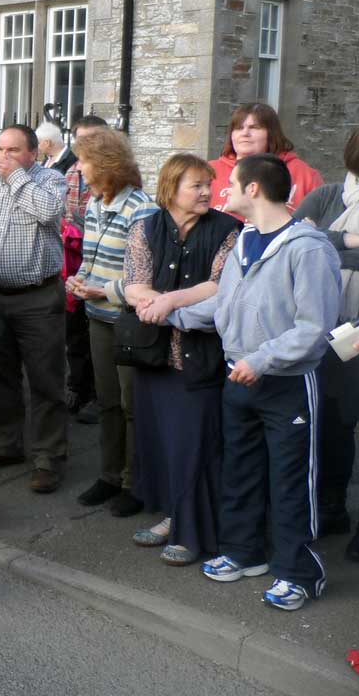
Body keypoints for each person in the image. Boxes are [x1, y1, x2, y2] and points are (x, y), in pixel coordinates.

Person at [169, 154, 340, 611]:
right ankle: (244, 553)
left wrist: (262, 360)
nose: (222, 191)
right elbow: (226, 306)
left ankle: (300, 574)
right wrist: (167, 310)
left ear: (255, 190)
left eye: (232, 184)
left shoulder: (308, 248)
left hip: (286, 383)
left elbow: (313, 328)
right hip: (238, 376)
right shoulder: (243, 240)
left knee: (289, 480)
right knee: (239, 470)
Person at [123, 154, 240, 566]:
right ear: (171, 189)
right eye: (197, 184)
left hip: (199, 359)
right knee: (162, 445)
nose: (207, 191)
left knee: (195, 447)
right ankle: (174, 517)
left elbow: (220, 285)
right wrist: (154, 300)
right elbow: (134, 285)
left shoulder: (228, 229)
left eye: (209, 183)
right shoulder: (146, 226)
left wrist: (168, 300)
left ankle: (195, 534)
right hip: (155, 357)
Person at [0, 125, 69, 493]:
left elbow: (49, 212)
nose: (2, 156)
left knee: (45, 379)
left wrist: (17, 179)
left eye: (12, 150)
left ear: (32, 154)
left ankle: (47, 457)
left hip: (37, 297)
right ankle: (5, 445)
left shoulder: (51, 181)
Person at [295, 117, 359, 563]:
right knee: (332, 426)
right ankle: (331, 508)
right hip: (330, 332)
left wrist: (333, 245)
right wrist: (349, 237)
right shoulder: (328, 195)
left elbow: (316, 243)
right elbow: (293, 236)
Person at [66, 127, 157, 517]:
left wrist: (104, 290)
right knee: (107, 403)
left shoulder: (142, 209)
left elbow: (145, 274)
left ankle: (135, 482)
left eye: (83, 160)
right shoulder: (95, 205)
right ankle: (109, 475)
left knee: (131, 403)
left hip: (128, 318)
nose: (78, 168)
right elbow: (91, 257)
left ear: (104, 164)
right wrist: (78, 279)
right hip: (98, 317)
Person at [64, 114, 109, 423]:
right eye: (81, 138)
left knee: (98, 334)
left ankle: (97, 394)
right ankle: (78, 388)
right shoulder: (69, 173)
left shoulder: (112, 176)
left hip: (101, 262)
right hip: (74, 261)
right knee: (75, 333)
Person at [209, 103, 322, 217]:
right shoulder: (210, 171)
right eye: (239, 128)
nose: (245, 133)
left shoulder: (304, 174)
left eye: (254, 127)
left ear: (271, 133)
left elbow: (320, 221)